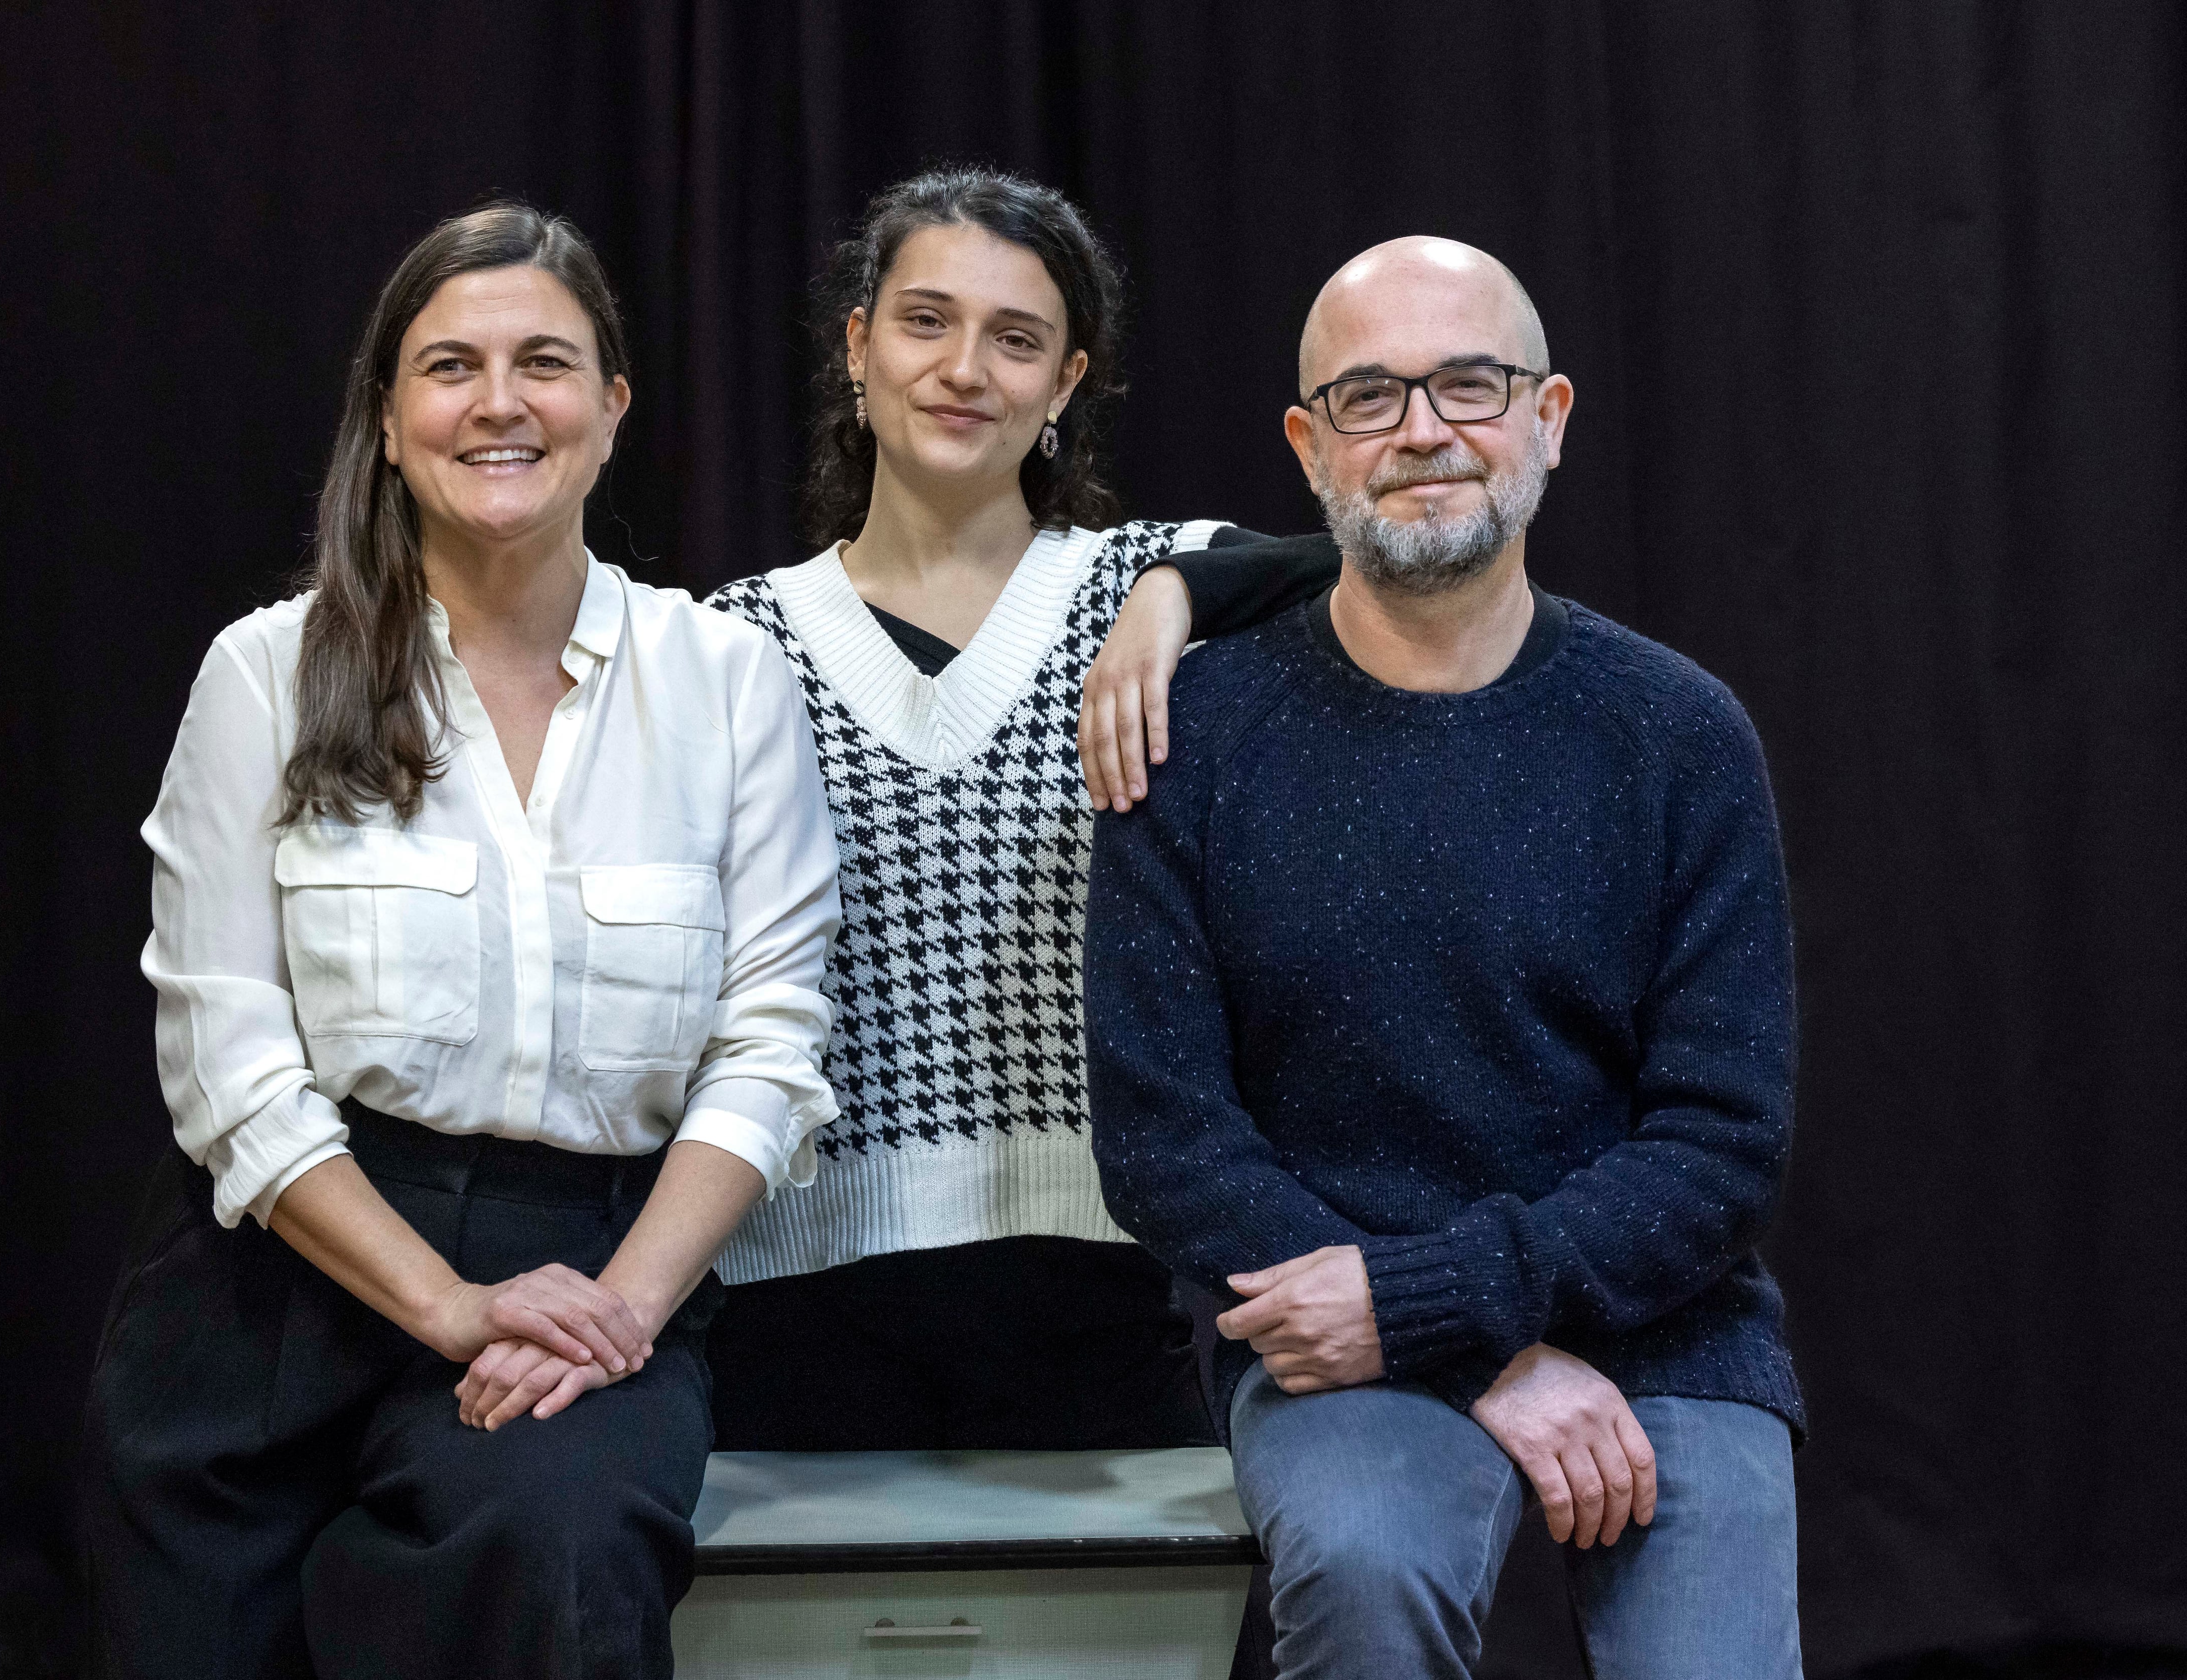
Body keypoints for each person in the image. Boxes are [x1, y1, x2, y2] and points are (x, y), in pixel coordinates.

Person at [83, 203, 840, 1679]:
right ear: (387, 420)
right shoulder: (266, 674)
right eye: (451, 367)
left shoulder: (728, 682)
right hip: (280, 1286)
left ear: (612, 409)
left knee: (558, 1558)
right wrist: (444, 1303)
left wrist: (617, 1315)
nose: (500, 402)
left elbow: (768, 1047)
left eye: (544, 363)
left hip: (593, 1272)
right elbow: (230, 1064)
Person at [1084, 236, 1806, 1678]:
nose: (1423, 431)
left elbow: (1723, 1145)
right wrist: (1454, 1342)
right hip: (1325, 1316)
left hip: (1658, 1321)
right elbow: (1166, 1142)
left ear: (1548, 417)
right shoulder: (1190, 737)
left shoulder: (1679, 733)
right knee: (1367, 1572)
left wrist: (1452, 1308)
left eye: (1469, 384)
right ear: (1310, 448)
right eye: (1369, 396)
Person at [699, 168, 1333, 1450]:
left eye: (1016, 339)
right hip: (793, 1289)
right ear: (857, 346)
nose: (964, 369)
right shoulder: (732, 639)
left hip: (1099, 1291)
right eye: (926, 321)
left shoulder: (1140, 585)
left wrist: (1175, 590)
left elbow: (1376, 565)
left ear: (1065, 383)